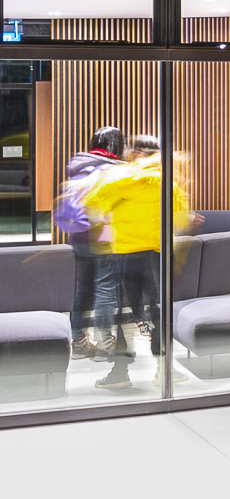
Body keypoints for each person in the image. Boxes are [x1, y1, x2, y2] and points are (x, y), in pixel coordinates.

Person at [86, 133, 185, 389]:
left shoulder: (117, 180)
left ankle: (120, 372)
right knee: (158, 312)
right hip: (156, 256)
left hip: (125, 256)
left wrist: (109, 223)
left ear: (132, 153)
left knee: (122, 314)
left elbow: (92, 207)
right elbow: (181, 217)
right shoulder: (167, 182)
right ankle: (164, 369)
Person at [54, 129, 124, 357]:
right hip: (104, 237)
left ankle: (79, 343)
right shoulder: (112, 170)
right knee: (105, 289)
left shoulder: (79, 165)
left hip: (79, 236)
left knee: (82, 290)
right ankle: (106, 344)